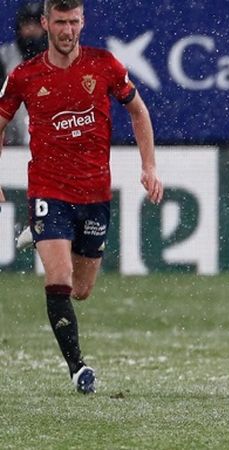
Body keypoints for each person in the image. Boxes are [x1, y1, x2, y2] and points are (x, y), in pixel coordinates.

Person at [0, 0, 164, 394]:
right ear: (45, 24)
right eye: (59, 22)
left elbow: (138, 112)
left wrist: (149, 166)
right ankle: (79, 369)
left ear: (82, 22)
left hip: (94, 193)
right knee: (58, 278)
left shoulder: (104, 65)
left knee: (81, 290)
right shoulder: (25, 75)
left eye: (74, 22)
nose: (67, 30)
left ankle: (35, 234)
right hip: (48, 189)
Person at [0, 1, 47, 146]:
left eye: (36, 24)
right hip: (12, 142)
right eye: (27, 24)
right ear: (19, 28)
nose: (31, 29)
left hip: (51, 138)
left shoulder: (58, 57)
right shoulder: (5, 55)